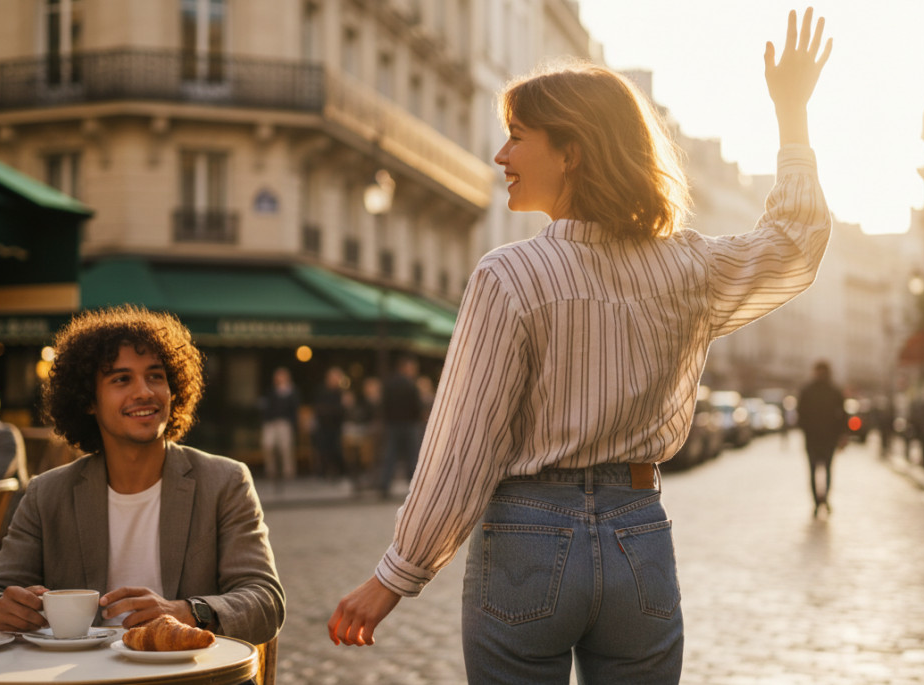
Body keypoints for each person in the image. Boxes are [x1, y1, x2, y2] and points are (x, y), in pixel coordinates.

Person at [328, 9, 832, 683]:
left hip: (527, 540)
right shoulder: (687, 268)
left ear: (571, 151)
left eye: (516, 138)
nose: (501, 156)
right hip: (638, 534)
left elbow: (463, 446)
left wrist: (395, 575)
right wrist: (793, 114)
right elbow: (796, 243)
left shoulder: (509, 276)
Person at [0, 305, 285, 650]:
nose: (144, 391)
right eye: (121, 379)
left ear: (174, 389)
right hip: (80, 672)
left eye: (156, 376)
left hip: (188, 670)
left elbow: (266, 601)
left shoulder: (224, 481)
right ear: (89, 400)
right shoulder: (47, 494)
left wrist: (187, 611)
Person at [797, 360, 847, 515]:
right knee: (822, 470)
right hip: (821, 438)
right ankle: (820, 501)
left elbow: (842, 415)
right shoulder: (830, 390)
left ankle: (821, 501)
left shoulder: (813, 390)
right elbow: (842, 416)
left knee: (819, 470)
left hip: (820, 438)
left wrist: (842, 435)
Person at [376, 355, 422, 499]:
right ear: (405, 368)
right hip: (409, 424)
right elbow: (417, 406)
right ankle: (414, 486)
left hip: (393, 424)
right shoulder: (411, 385)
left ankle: (384, 484)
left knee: (390, 455)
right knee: (412, 455)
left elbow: (384, 404)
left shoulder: (390, 383)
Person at [259, 367, 301, 484]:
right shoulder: (271, 391)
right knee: (268, 445)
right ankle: (271, 471)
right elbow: (266, 406)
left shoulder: (292, 391)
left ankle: (288, 472)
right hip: (271, 423)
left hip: (284, 423)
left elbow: (294, 409)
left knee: (285, 448)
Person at [313, 366, 349, 478]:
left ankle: (339, 471)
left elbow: (342, 411)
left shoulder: (340, 393)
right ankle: (323, 471)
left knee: (336, 448)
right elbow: (319, 408)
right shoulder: (322, 391)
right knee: (323, 449)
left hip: (336, 426)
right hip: (323, 425)